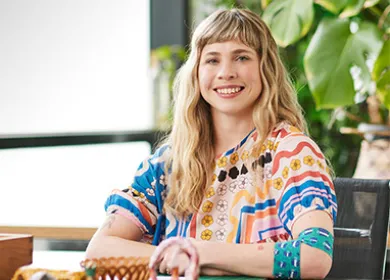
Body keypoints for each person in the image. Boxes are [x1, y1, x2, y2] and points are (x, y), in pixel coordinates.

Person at [86, 8, 337, 279]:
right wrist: (177, 255)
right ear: (196, 73)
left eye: (241, 57)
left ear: (266, 69)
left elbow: (314, 257)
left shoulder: (291, 152)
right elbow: (99, 250)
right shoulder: (167, 162)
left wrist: (197, 252)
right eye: (212, 60)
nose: (226, 72)